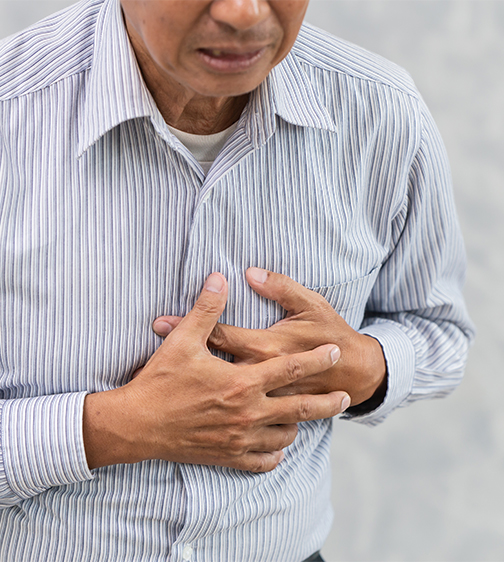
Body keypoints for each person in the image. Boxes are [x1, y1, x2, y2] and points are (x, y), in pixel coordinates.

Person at [0, 0, 475, 560]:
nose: (246, 14)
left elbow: (438, 330)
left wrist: (367, 365)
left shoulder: (384, 113)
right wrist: (116, 427)